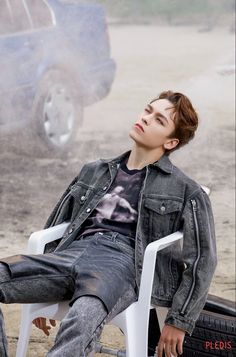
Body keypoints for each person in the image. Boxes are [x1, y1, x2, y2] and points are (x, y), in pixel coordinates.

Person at [0, 90, 217, 357]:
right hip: (71, 253)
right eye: (148, 110)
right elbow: (58, 223)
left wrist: (178, 320)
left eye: (159, 120)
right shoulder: (95, 170)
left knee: (81, 319)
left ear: (171, 143)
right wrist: (41, 291)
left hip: (121, 265)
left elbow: (203, 260)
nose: (146, 119)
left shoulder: (186, 190)